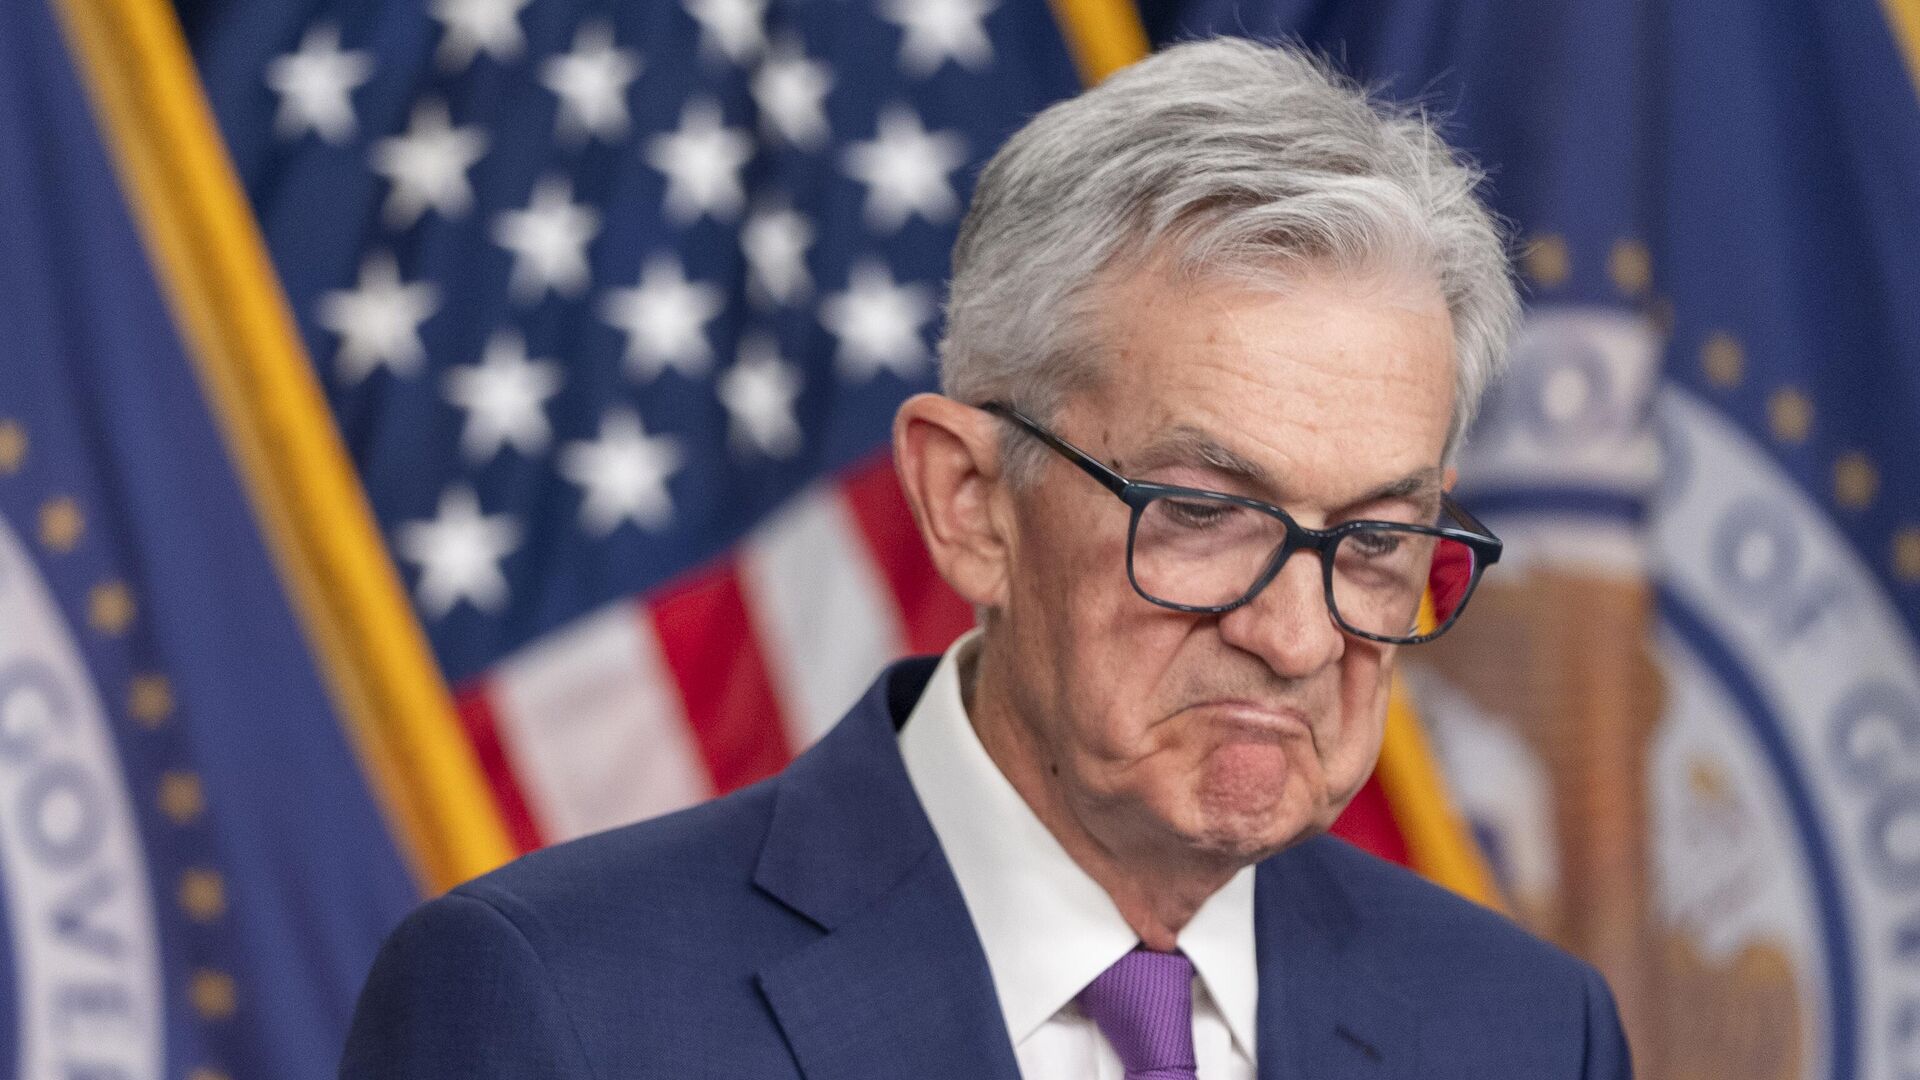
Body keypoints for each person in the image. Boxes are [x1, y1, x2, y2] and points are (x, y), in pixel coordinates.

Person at [341, 37, 1631, 1080]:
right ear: (970, 504)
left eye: (1377, 540)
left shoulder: (1528, 1035)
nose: (1296, 639)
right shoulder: (555, 1008)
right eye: (1201, 513)